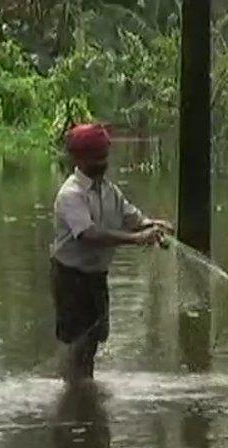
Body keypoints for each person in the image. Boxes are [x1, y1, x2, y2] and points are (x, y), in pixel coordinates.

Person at [51, 123, 174, 382]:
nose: (102, 163)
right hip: (70, 276)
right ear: (79, 159)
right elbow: (89, 235)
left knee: (95, 337)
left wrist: (154, 225)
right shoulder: (71, 194)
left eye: (104, 156)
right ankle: (74, 391)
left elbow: (132, 217)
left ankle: (83, 389)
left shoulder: (109, 190)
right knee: (77, 340)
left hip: (96, 275)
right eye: (96, 158)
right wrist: (136, 239)